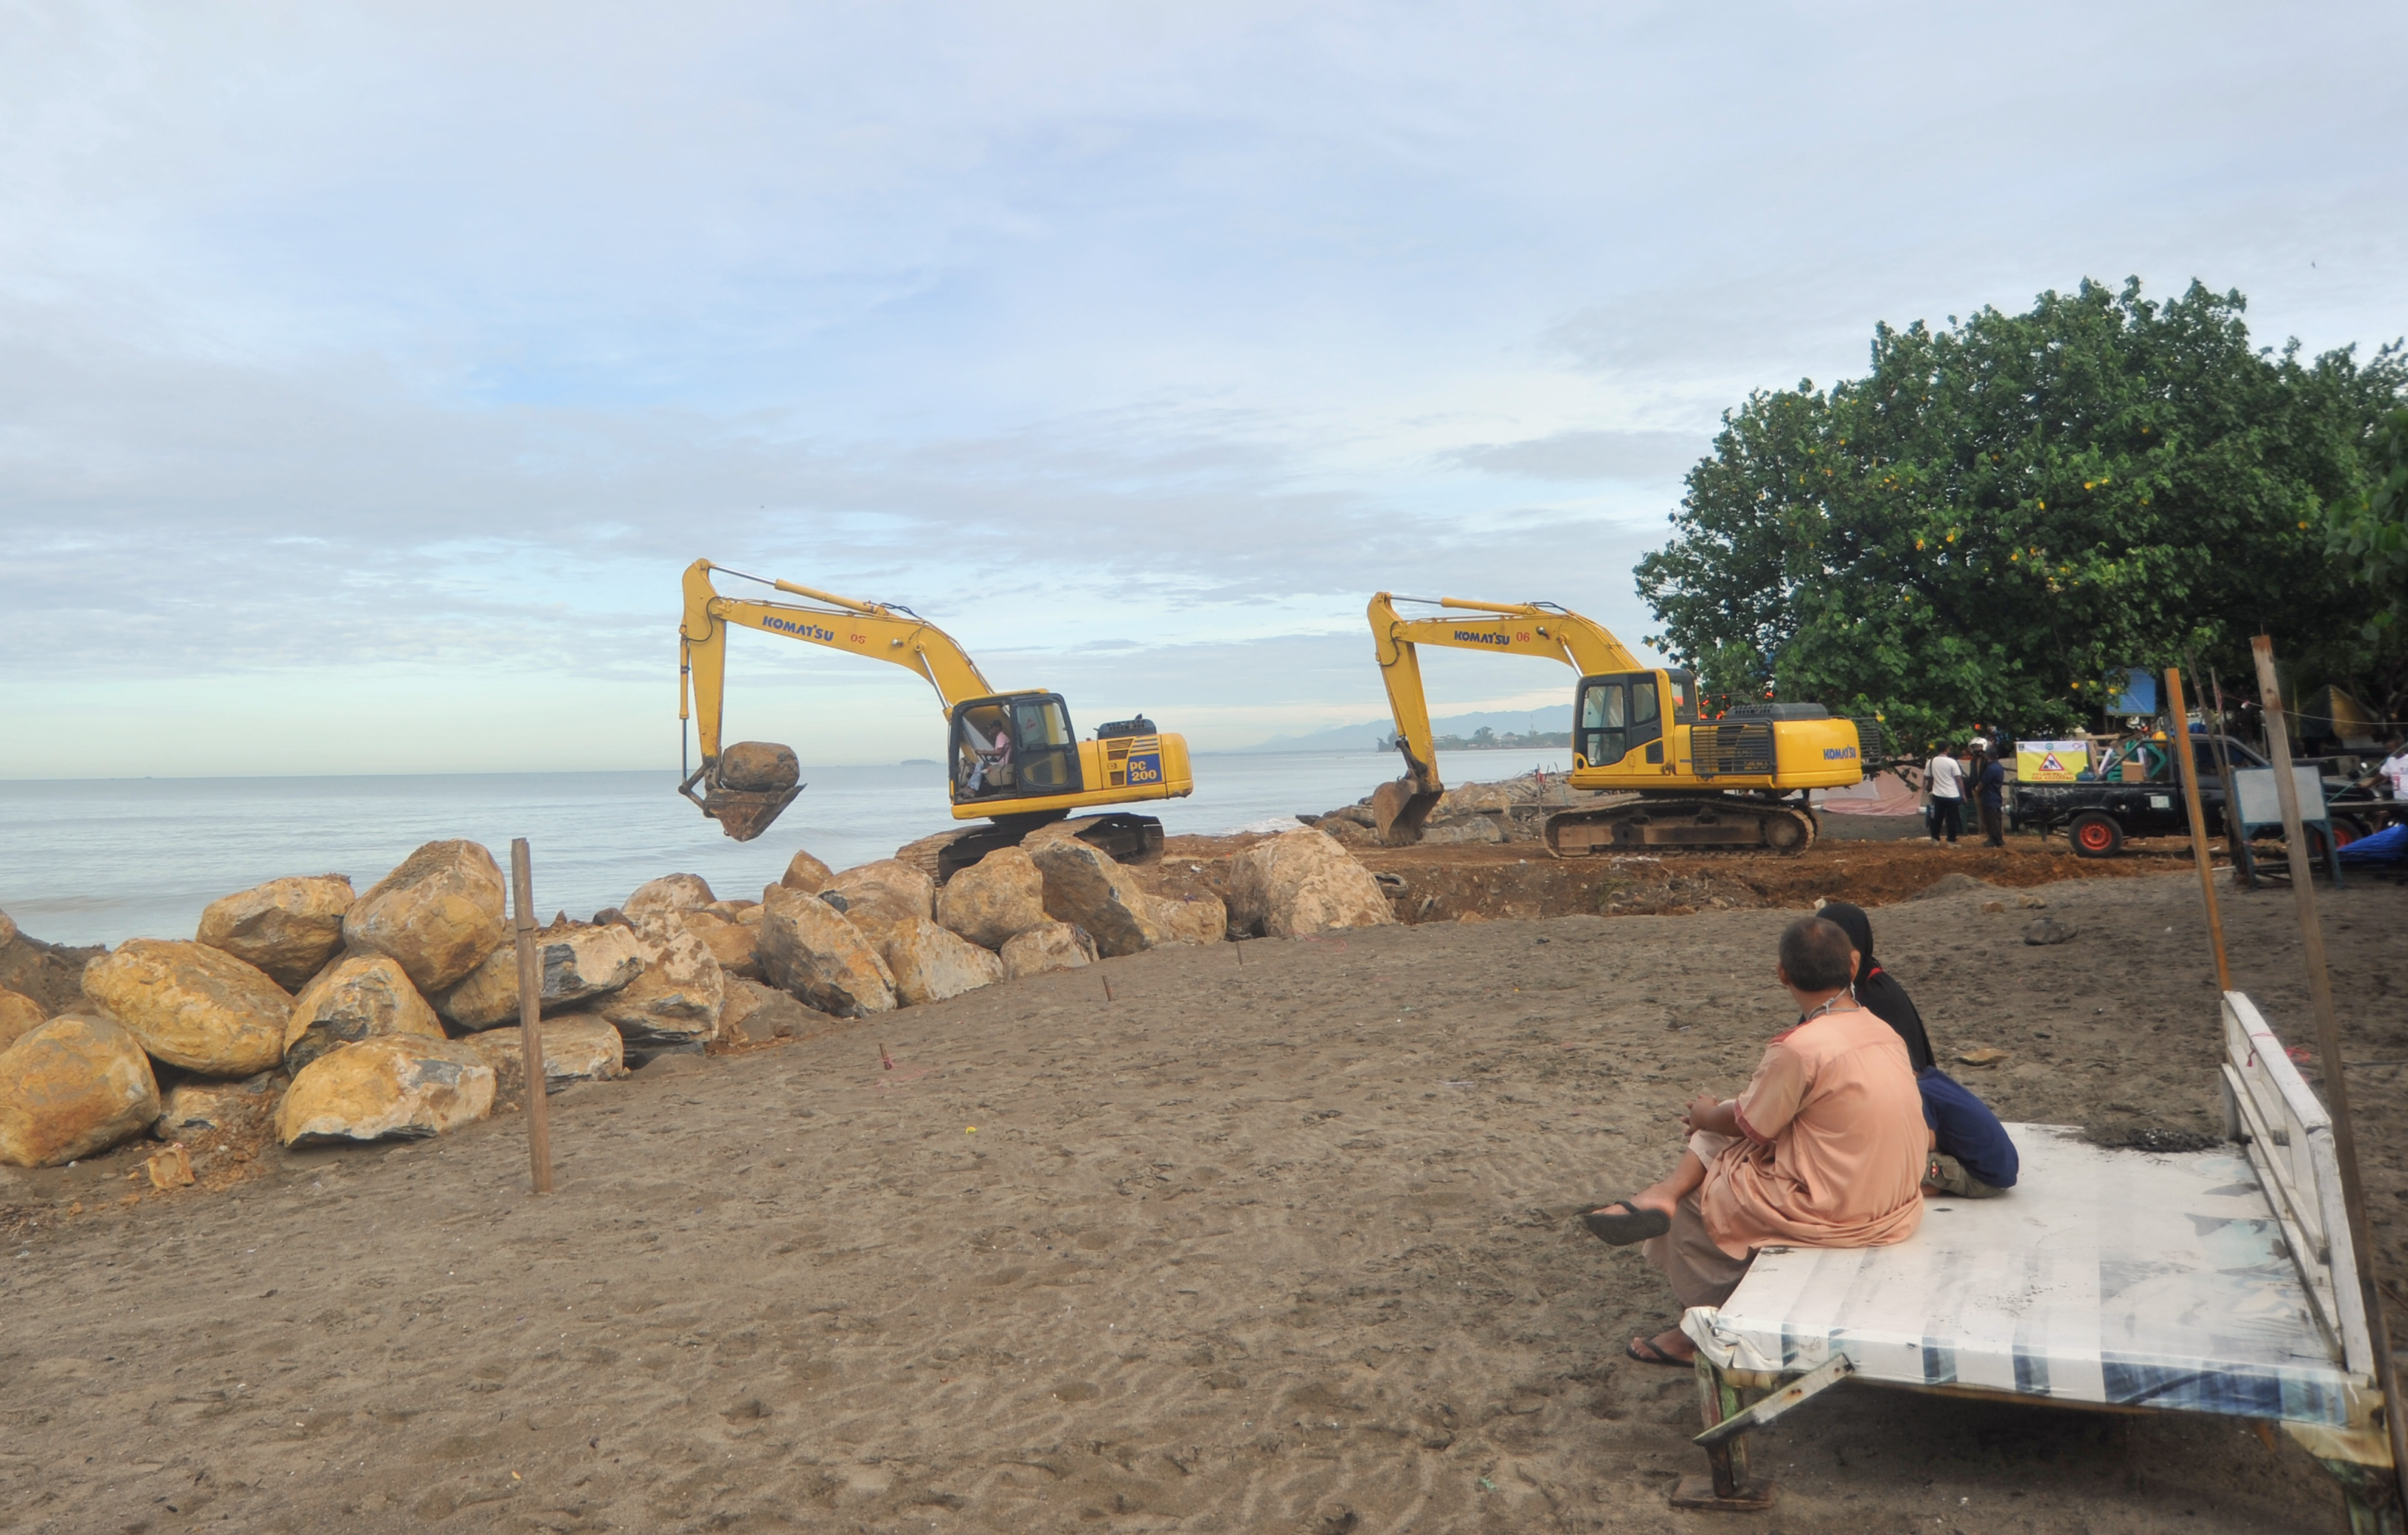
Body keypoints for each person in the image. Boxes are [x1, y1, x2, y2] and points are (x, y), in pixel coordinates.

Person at [1581, 917, 1928, 1366]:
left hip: (1842, 1211)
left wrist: (1704, 1113)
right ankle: (1664, 1194)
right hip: (1897, 1199)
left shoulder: (1799, 1048)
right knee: (1726, 1130)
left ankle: (1697, 1327)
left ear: (1782, 973)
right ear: (1854, 963)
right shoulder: (1883, 1031)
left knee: (1701, 1196)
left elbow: (1751, 1127)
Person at [1816, 902, 2018, 1200]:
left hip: (1964, 1157)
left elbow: (1920, 1135)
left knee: (1877, 1171)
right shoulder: (1856, 990)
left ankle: (1922, 1187)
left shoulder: (1878, 998)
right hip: (1954, 1135)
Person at [1925, 743, 1966, 843]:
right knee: (1952, 819)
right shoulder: (1952, 762)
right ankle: (1951, 841)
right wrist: (1963, 794)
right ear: (1947, 749)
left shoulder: (1931, 762)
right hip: (1953, 795)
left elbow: (1928, 777)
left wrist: (1929, 788)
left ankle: (1935, 839)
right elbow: (1958, 779)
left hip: (1938, 794)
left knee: (1937, 818)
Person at [1974, 744, 2007, 848]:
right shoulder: (1998, 767)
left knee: (1991, 819)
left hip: (1989, 797)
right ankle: (1998, 839)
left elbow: (1983, 782)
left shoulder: (1991, 768)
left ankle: (1994, 839)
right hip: (1995, 796)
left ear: (1988, 756)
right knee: (1997, 819)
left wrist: (1977, 789)